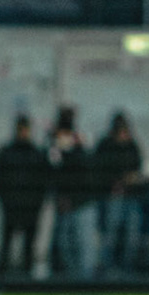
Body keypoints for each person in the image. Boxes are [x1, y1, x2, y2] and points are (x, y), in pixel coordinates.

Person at [0, 115, 46, 284]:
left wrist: (37, 203)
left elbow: (43, 182)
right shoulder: (8, 153)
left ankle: (26, 279)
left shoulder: (35, 154)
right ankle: (2, 279)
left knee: (28, 246)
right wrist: (6, 200)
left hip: (30, 208)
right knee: (7, 244)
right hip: (12, 207)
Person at [94, 112, 144, 277]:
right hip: (112, 197)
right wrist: (114, 182)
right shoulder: (106, 146)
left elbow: (138, 168)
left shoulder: (132, 146)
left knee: (131, 236)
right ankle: (109, 269)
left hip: (130, 196)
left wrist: (130, 179)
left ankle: (127, 268)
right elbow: (99, 170)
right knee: (110, 235)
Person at [47, 106, 92, 279]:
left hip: (79, 200)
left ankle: (80, 280)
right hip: (66, 201)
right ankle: (68, 279)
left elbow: (82, 168)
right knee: (66, 243)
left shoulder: (76, 141)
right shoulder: (56, 143)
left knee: (79, 244)